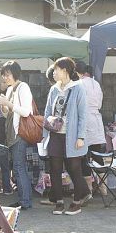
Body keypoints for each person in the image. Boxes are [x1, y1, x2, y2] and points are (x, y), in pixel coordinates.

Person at [43, 57, 91, 216]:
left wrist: (81, 137)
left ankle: (77, 201)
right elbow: (48, 113)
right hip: (55, 135)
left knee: (74, 169)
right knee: (55, 169)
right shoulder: (54, 89)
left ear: (65, 71)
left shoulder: (78, 88)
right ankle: (59, 201)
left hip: (72, 136)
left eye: (56, 69)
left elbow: (83, 115)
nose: (54, 72)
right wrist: (45, 136)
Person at [0, 61, 33, 210]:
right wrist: (4, 107)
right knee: (17, 167)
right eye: (4, 75)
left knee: (18, 167)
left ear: (15, 73)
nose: (5, 78)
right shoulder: (10, 89)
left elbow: (26, 111)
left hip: (20, 134)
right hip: (12, 134)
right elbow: (8, 115)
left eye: (8, 74)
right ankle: (24, 199)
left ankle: (25, 201)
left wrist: (9, 104)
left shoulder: (23, 87)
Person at [75, 61, 107, 198]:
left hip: (84, 120)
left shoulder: (79, 84)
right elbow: (99, 103)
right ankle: (104, 188)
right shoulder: (96, 84)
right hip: (96, 119)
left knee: (84, 156)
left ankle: (88, 189)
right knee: (97, 154)